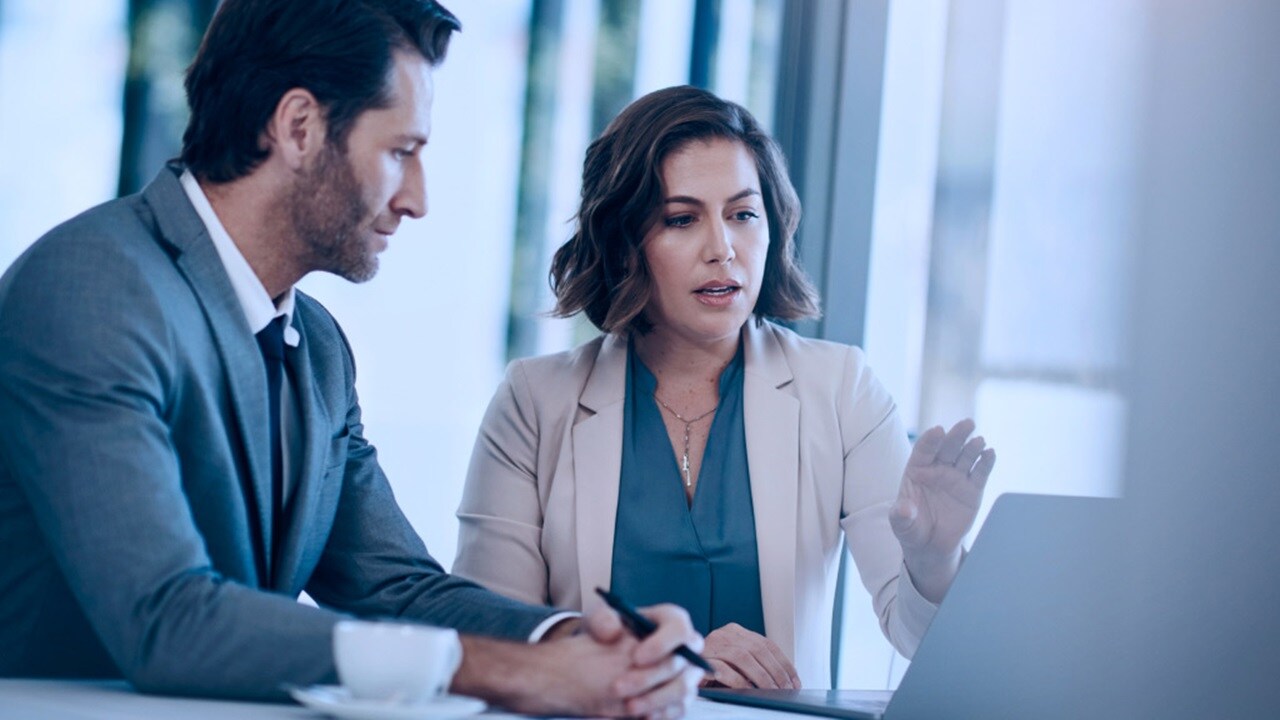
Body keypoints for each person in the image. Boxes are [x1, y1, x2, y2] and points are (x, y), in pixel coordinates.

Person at [0, 1, 703, 715]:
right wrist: (507, 674)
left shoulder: (321, 349)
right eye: (402, 152)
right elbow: (166, 620)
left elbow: (397, 588)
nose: (420, 201)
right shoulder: (91, 288)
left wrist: (577, 642)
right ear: (299, 128)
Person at [452, 85, 997, 690]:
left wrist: (935, 557)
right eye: (681, 219)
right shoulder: (533, 400)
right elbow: (488, 636)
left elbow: (918, 637)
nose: (723, 249)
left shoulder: (841, 388)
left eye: (743, 214)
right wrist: (667, 664)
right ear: (625, 242)